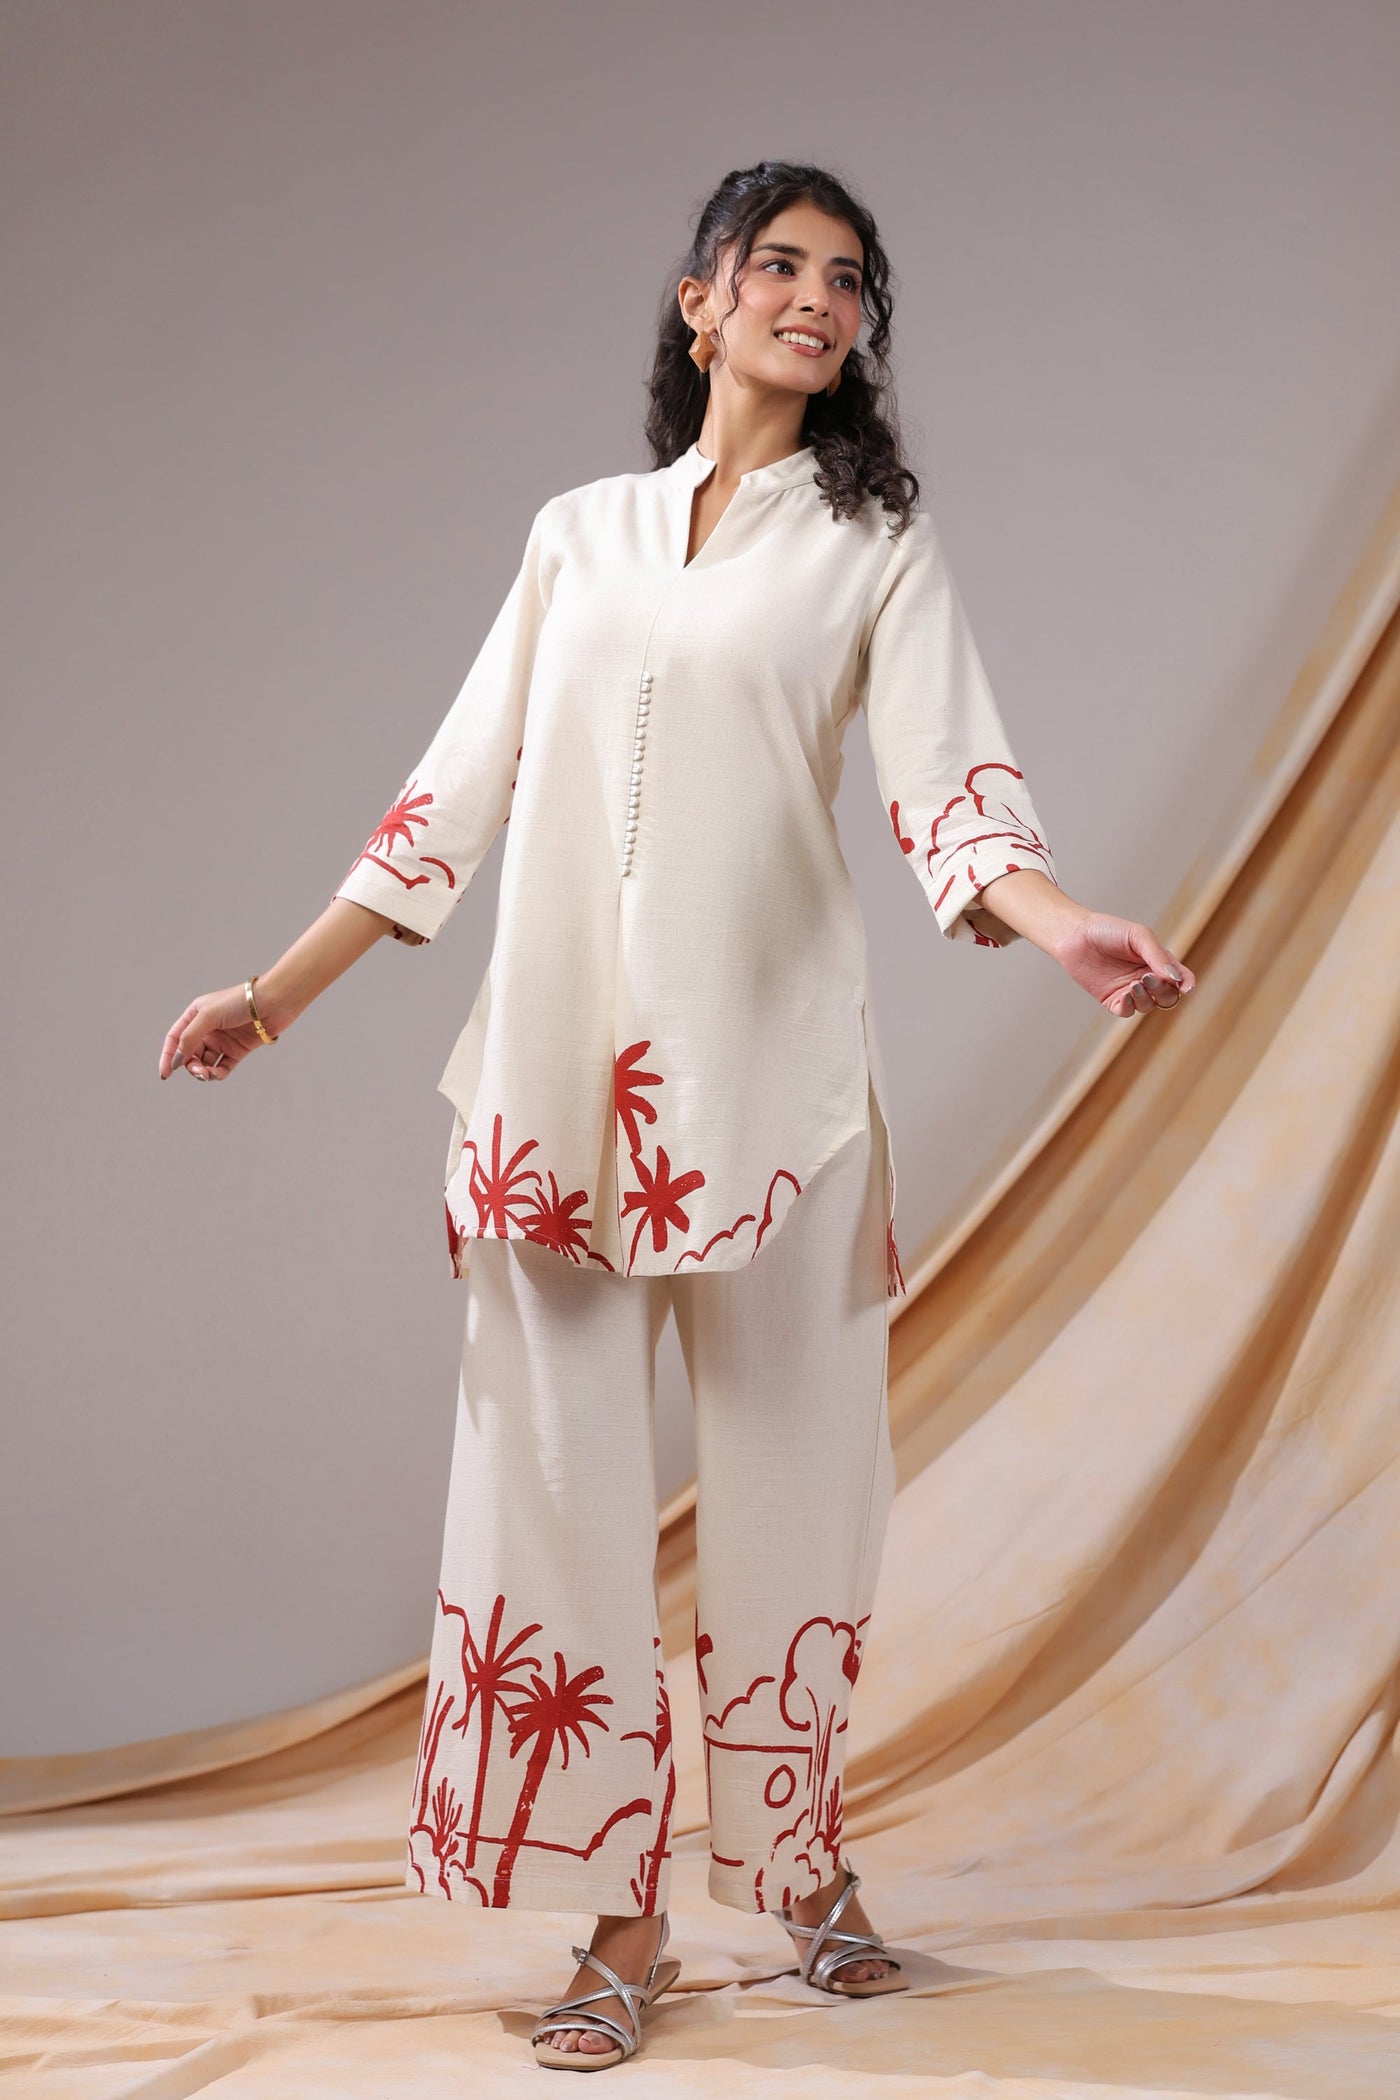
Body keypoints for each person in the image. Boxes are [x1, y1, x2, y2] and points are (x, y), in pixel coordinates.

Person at [158, 160, 1195, 2072]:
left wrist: (1065, 929)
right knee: (553, 1502)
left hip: (774, 1096)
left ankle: (796, 1866)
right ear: (702, 300)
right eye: (779, 265)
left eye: (850, 280)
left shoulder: (872, 545)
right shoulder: (580, 535)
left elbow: (948, 782)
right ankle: (618, 1921)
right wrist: (275, 995)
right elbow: (456, 787)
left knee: (800, 1497)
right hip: (555, 1092)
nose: (817, 298)